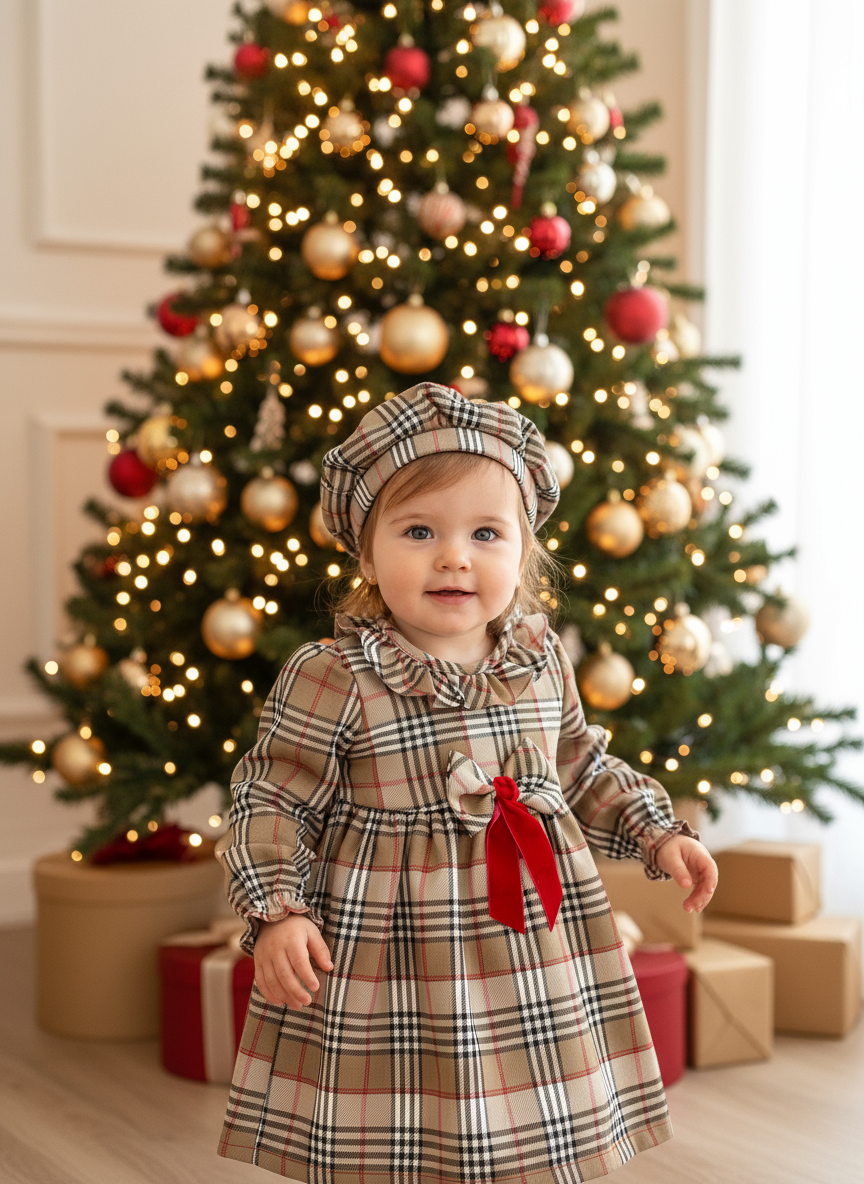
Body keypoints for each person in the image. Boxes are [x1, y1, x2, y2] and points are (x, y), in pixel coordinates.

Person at [215, 382, 718, 1183]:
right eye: (419, 531)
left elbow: (579, 765)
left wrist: (658, 831)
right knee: (403, 1119)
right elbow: (273, 799)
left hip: (529, 935)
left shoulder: (538, 658)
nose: (455, 556)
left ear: (523, 550)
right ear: (366, 553)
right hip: (392, 949)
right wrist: (278, 909)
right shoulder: (336, 673)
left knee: (529, 1110)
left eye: (487, 533)